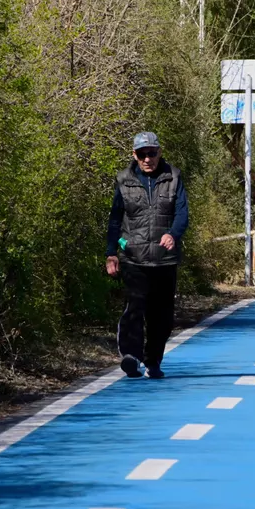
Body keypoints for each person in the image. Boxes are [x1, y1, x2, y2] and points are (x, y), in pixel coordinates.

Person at [106, 132, 189, 379]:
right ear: (134, 155)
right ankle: (131, 357)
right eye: (142, 154)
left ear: (159, 152)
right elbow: (115, 219)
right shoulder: (124, 180)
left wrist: (173, 234)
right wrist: (111, 253)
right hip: (133, 257)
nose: (147, 159)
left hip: (164, 259)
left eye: (151, 153)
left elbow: (182, 213)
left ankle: (153, 361)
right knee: (134, 307)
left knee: (161, 315)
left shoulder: (173, 177)